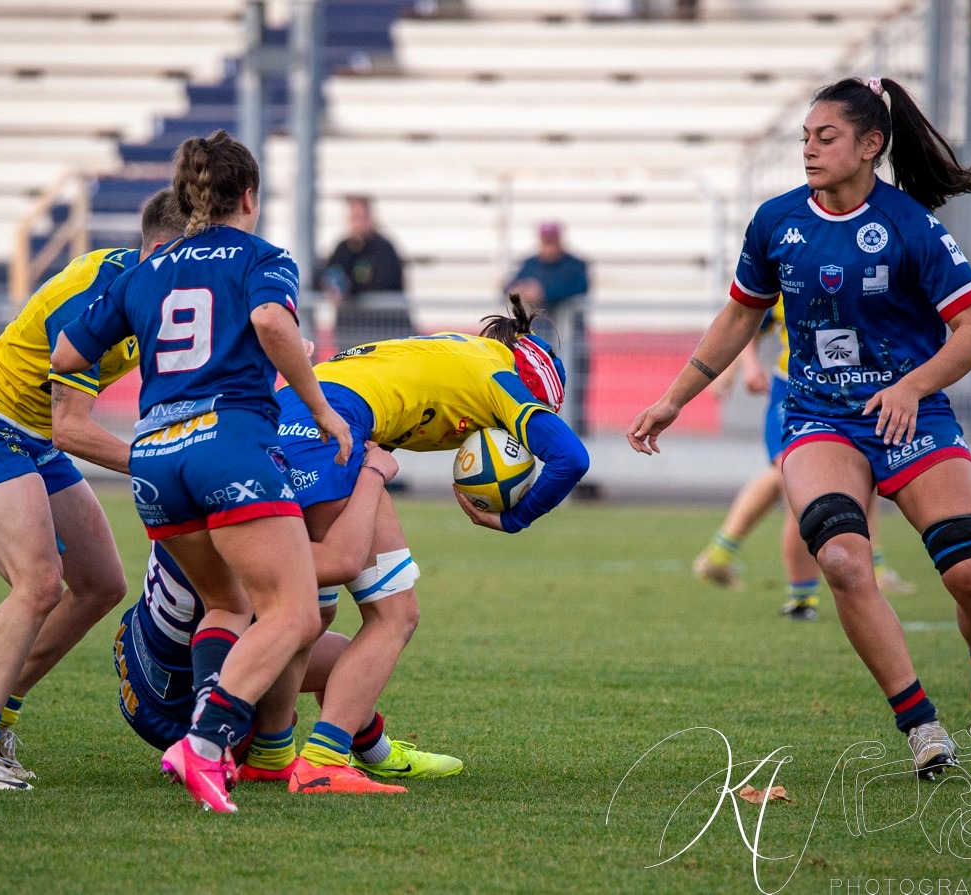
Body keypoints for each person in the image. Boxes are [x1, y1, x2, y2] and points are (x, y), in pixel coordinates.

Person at [628, 77, 971, 781]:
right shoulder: (775, 221)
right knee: (841, 558)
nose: (807, 149)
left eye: (824, 136)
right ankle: (921, 727)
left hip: (912, 414)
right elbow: (739, 317)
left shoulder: (910, 226)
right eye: (804, 137)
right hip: (818, 416)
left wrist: (912, 383)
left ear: (870, 146)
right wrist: (674, 397)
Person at [52, 129, 353, 813]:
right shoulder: (262, 257)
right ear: (249, 194)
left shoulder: (146, 269)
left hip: (155, 456)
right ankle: (206, 740)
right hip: (230, 445)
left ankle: (202, 741)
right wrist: (322, 409)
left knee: (226, 602)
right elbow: (274, 325)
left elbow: (69, 351)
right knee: (294, 611)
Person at [272, 295, 590, 794]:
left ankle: (271, 752)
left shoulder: (451, 355)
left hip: (290, 414)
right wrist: (514, 519)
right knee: (394, 613)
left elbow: (385, 401)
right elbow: (571, 457)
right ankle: (322, 762)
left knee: (310, 614)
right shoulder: (500, 379)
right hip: (330, 428)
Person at [0, 189, 186, 790]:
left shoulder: (163, 293)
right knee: (39, 583)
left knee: (100, 583)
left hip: (33, 440)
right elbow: (73, 428)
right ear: (166, 249)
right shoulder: (94, 292)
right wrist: (166, 466)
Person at [115, 443, 462, 782]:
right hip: (181, 707)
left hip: (146, 655)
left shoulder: (200, 470)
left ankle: (376, 753)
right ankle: (252, 748)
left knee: (343, 657)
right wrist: (372, 475)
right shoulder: (244, 524)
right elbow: (342, 559)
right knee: (301, 635)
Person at [692, 301, 915, 620]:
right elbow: (745, 321)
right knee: (799, 483)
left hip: (851, 394)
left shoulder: (859, 274)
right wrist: (745, 367)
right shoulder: (786, 271)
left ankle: (721, 554)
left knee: (859, 477)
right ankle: (800, 595)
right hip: (792, 396)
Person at [506, 221, 591, 435]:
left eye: (552, 241)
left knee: (572, 383)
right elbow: (508, 286)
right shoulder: (529, 264)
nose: (549, 246)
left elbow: (579, 287)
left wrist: (542, 292)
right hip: (538, 340)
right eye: (545, 242)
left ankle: (573, 431)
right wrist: (520, 291)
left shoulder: (575, 264)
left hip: (569, 338)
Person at [320, 195, 413, 351]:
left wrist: (351, 289)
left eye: (361, 217)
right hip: (350, 330)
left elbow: (385, 282)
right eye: (353, 218)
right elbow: (328, 274)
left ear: (371, 218)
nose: (357, 223)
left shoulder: (384, 248)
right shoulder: (343, 248)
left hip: (382, 330)